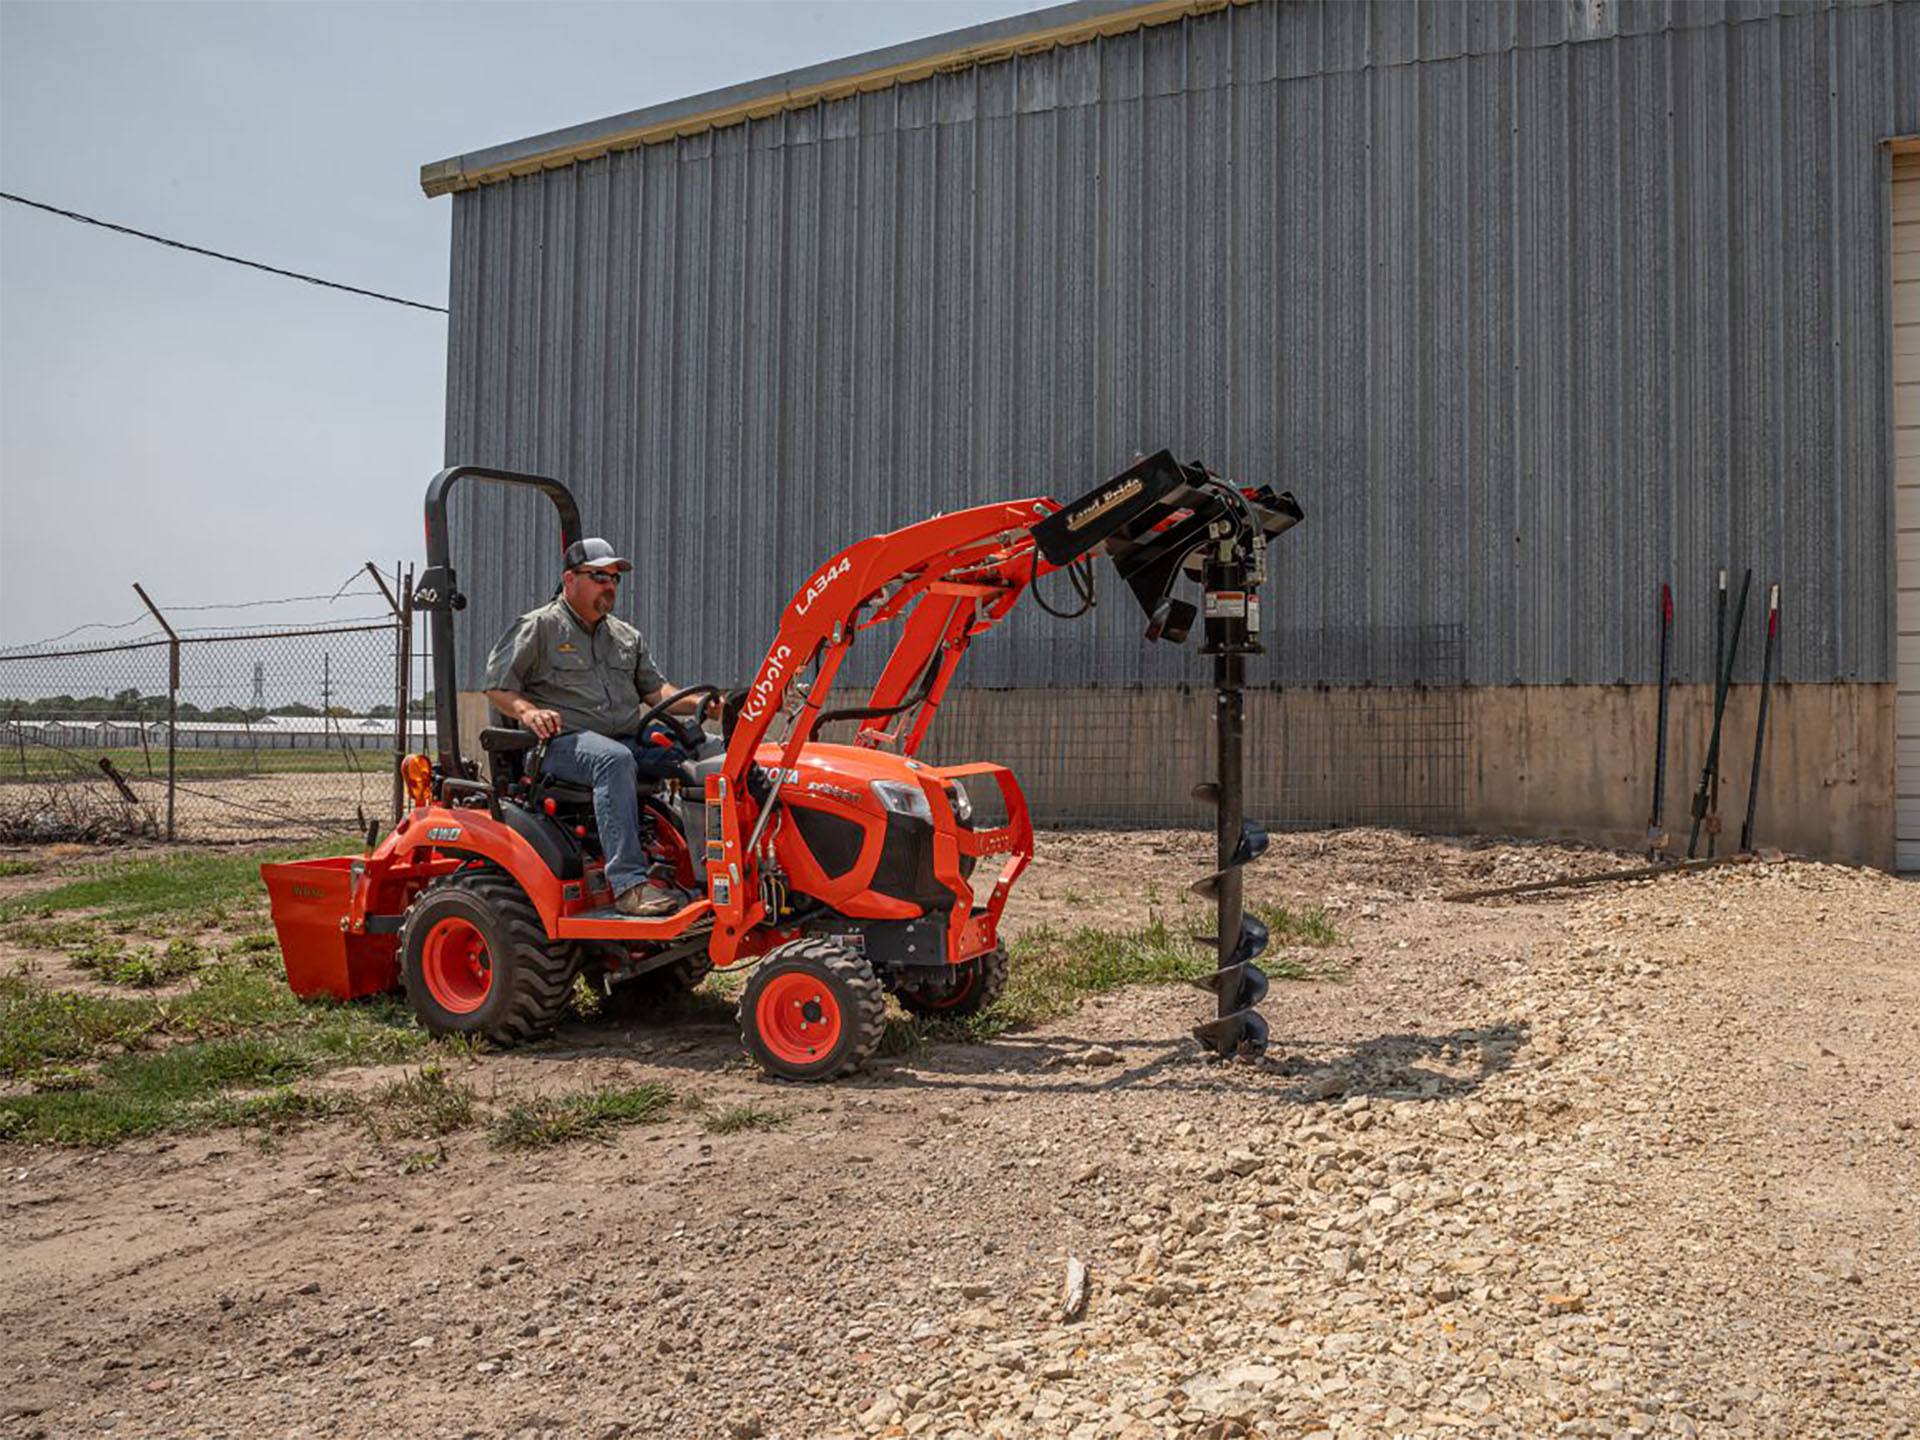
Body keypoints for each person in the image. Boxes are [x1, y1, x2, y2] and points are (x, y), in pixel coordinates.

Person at [482, 537, 711, 916]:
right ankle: (629, 885)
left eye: (615, 578)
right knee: (614, 760)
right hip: (560, 747)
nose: (610, 585)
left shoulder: (625, 636)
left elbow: (656, 691)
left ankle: (720, 872)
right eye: (599, 576)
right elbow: (498, 686)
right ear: (570, 579)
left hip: (625, 737)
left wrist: (704, 704)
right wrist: (528, 712)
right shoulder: (539, 627)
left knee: (707, 749)